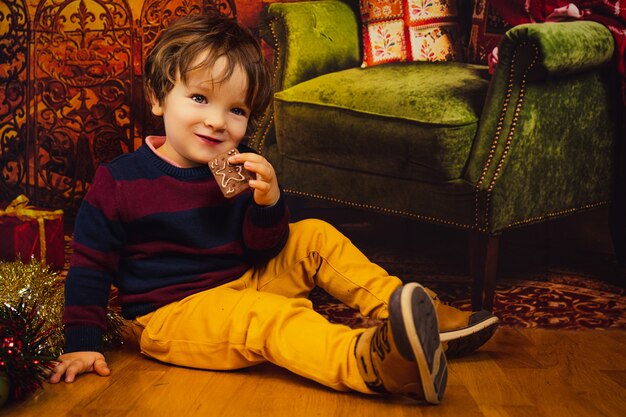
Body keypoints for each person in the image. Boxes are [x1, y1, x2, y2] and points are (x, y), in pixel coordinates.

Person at [49, 15, 498, 404]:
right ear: (158, 97)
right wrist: (83, 342)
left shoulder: (237, 169)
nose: (217, 121)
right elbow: (90, 266)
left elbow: (264, 245)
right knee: (267, 318)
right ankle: (370, 364)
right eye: (200, 99)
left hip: (244, 281)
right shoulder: (121, 181)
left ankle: (420, 321)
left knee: (314, 235)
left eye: (237, 110)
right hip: (171, 314)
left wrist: (268, 203)